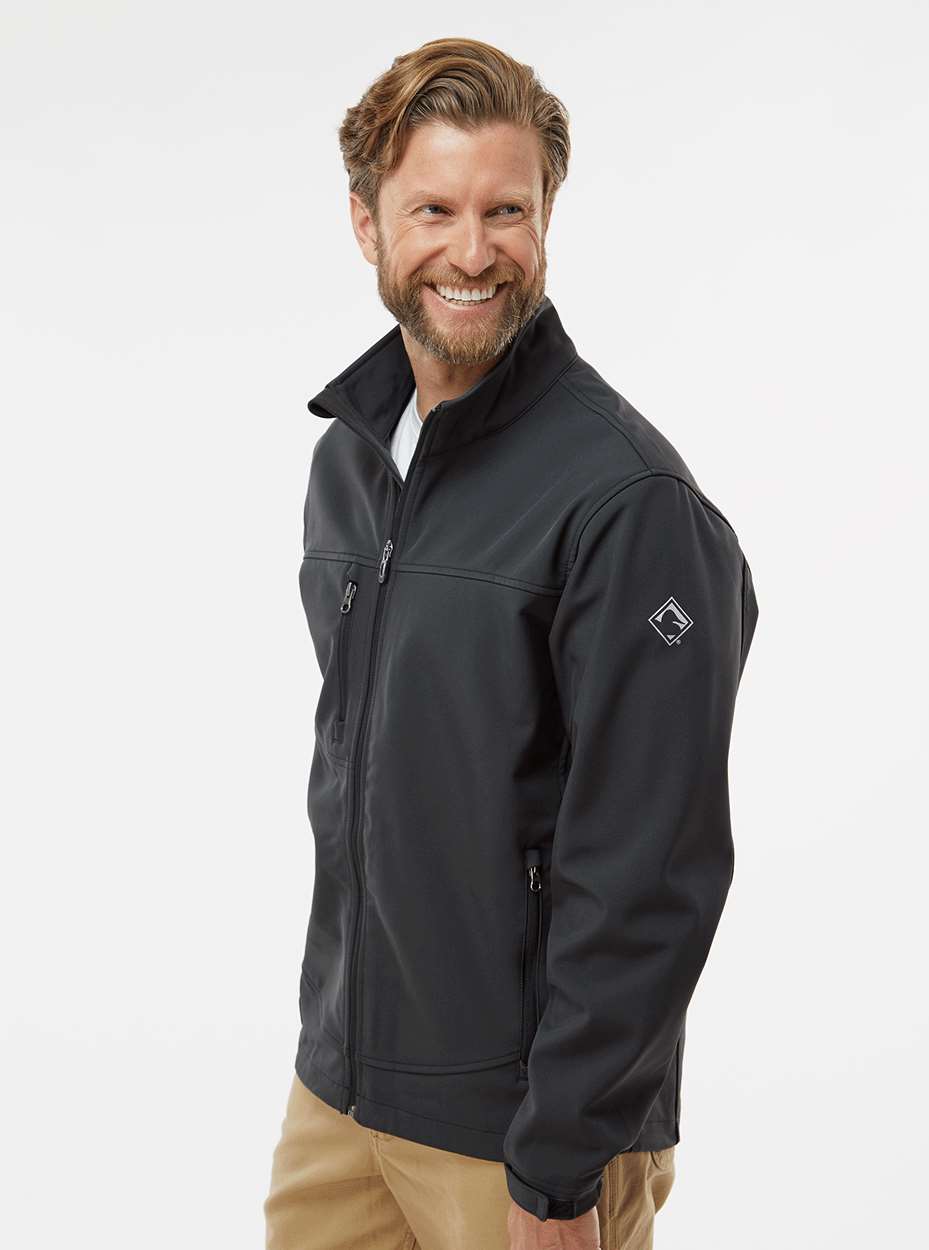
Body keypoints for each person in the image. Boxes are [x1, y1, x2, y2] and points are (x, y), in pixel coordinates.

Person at [263, 36, 759, 1250]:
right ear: (367, 223)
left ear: (546, 220)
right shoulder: (349, 465)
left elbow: (648, 866)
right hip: (342, 1094)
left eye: (507, 210)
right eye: (433, 209)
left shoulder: (627, 503)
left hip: (523, 1135)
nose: (473, 251)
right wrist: (334, 1049)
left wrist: (558, 1163)